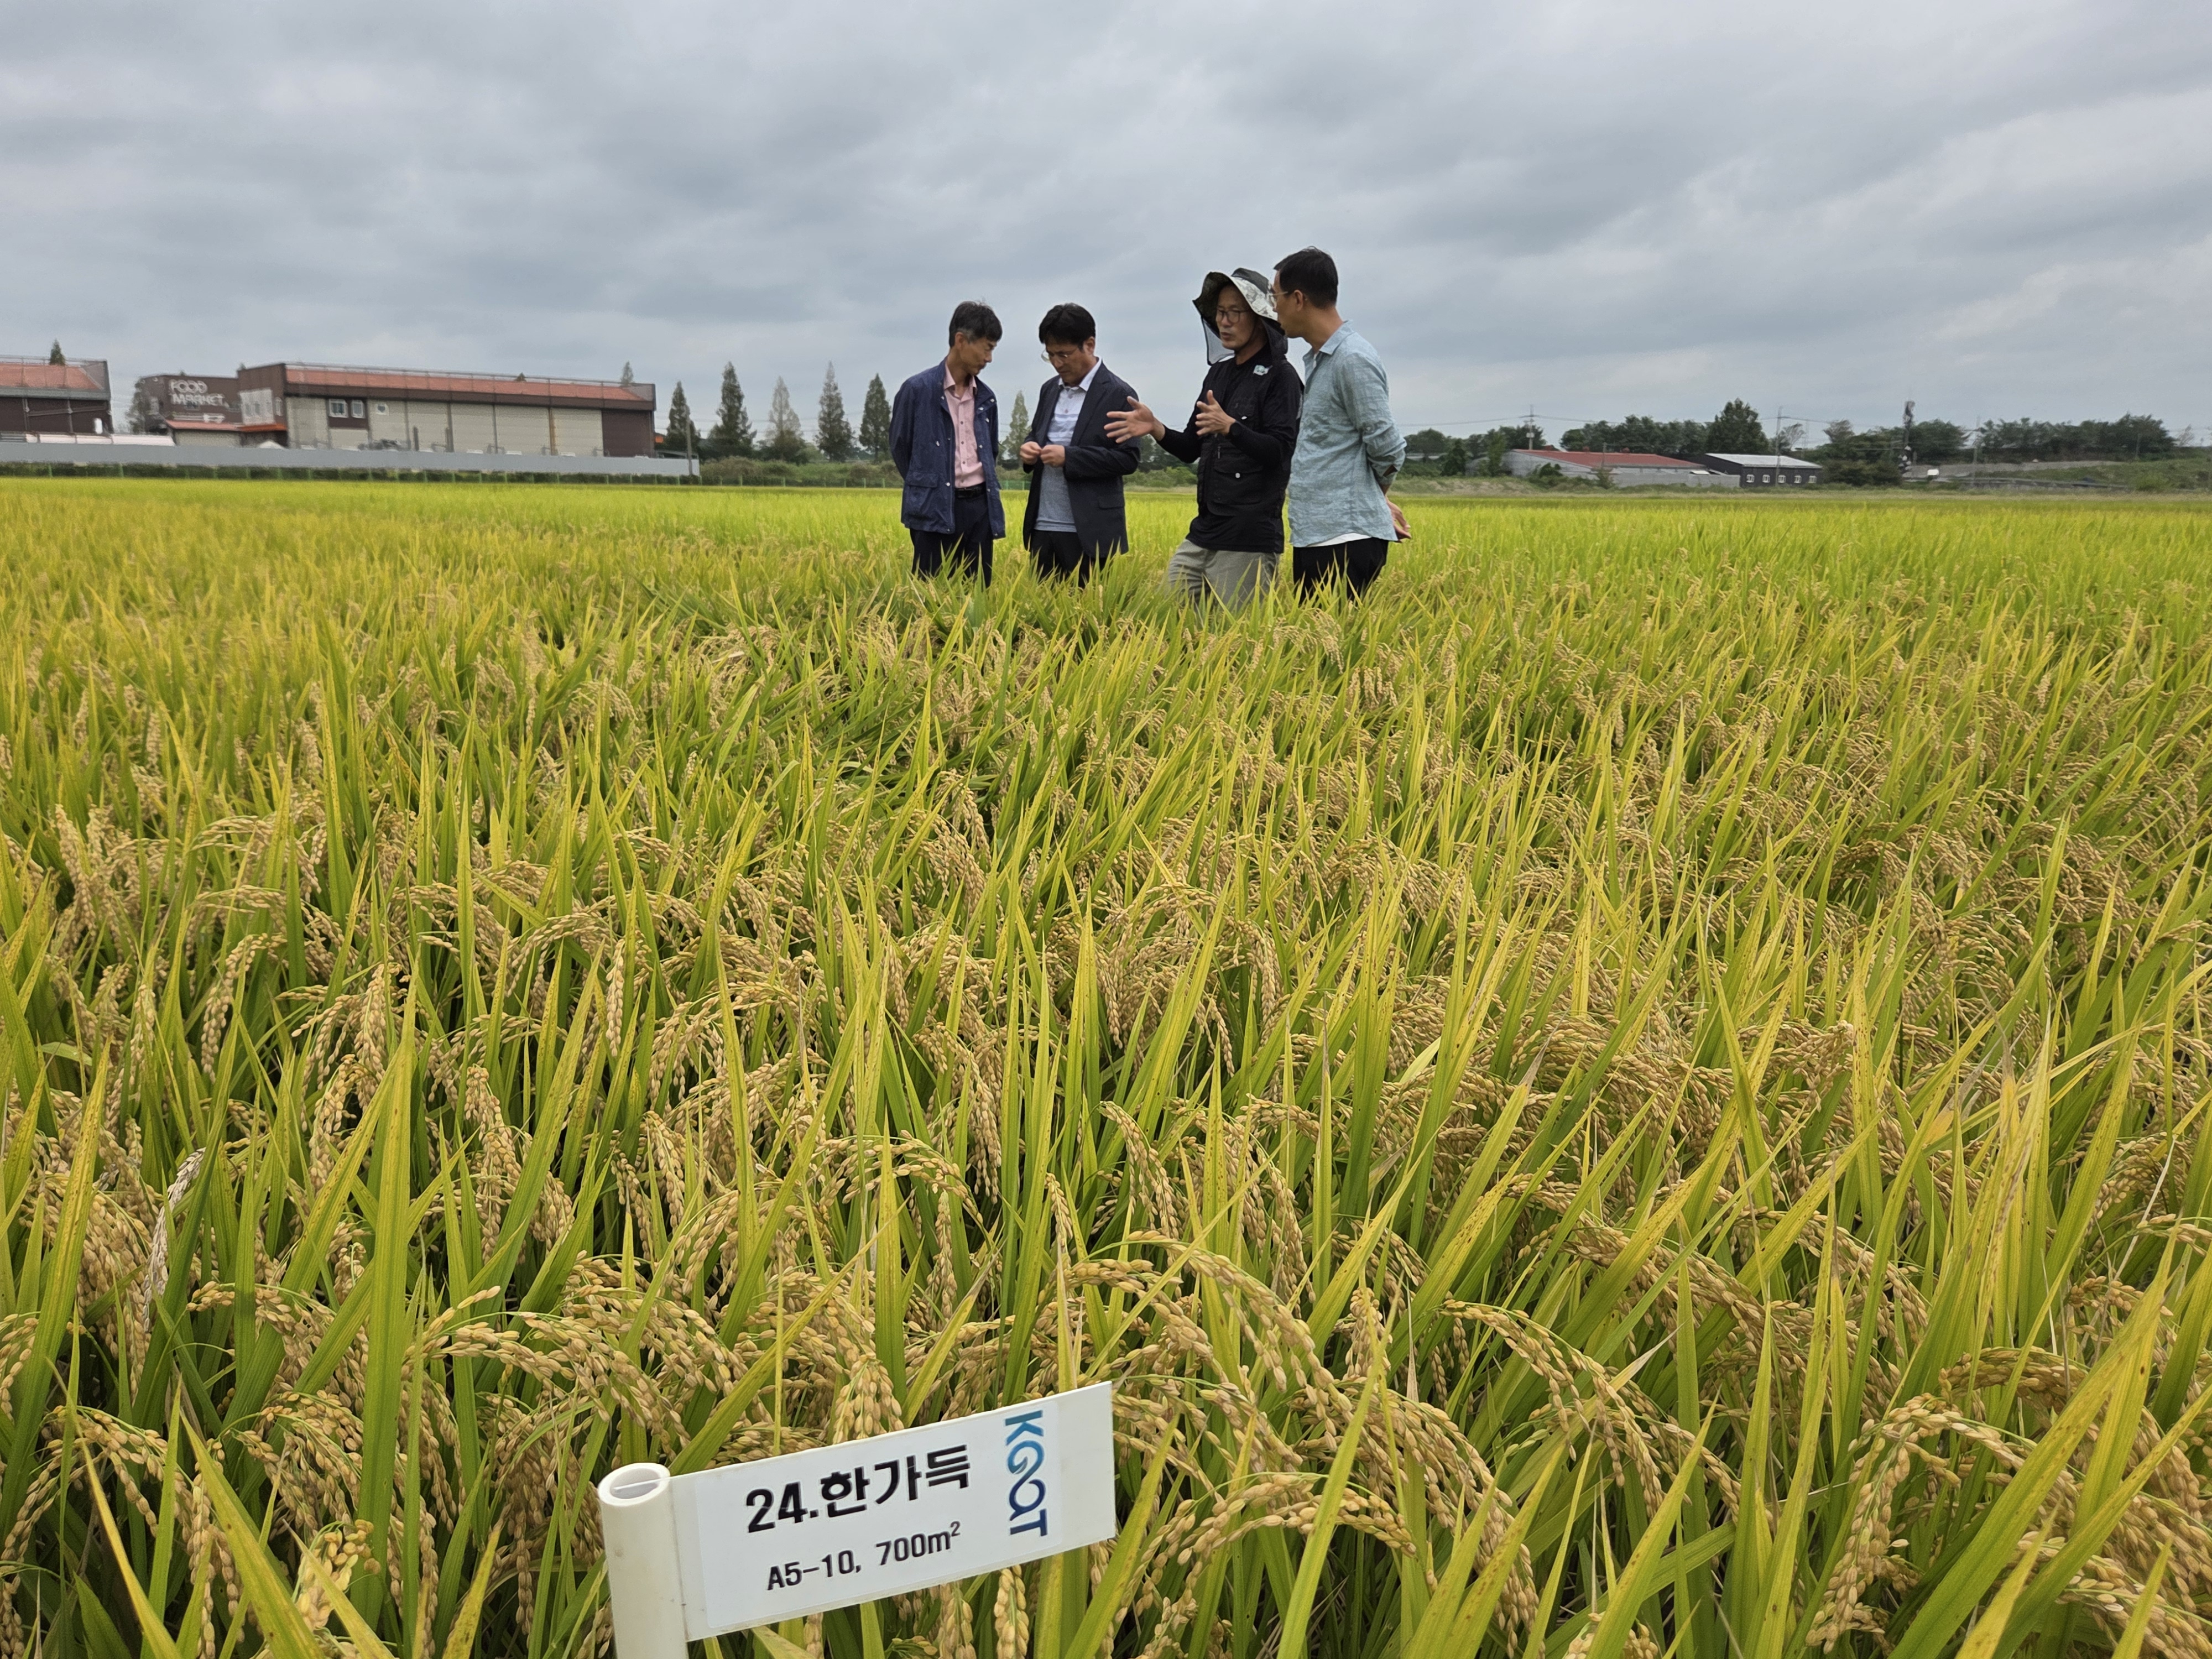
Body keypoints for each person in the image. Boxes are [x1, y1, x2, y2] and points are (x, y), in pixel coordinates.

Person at [1107, 268, 1301, 608]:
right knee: (1166, 615)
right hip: (1205, 531)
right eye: (1220, 313)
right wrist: (1155, 428)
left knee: (1232, 644)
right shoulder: (1219, 373)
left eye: (1234, 313)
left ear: (1258, 317)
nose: (1223, 322)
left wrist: (1232, 428)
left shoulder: (1280, 377)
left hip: (1247, 539)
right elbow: (1191, 448)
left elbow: (1280, 451)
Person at [1269, 247, 1408, 597]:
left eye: (1276, 296)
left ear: (1298, 299)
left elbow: (1389, 448)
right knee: (1313, 644)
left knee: (1331, 648)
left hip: (1344, 539)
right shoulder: (1321, 360)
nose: (1274, 307)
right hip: (1320, 534)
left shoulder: (1352, 360)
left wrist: (1372, 498)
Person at [1018, 304, 1142, 581]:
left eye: (1064, 354)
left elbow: (1128, 458)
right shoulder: (1049, 390)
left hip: (1090, 532)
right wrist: (1028, 450)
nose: (1057, 363)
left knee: (1087, 618)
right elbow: (1037, 435)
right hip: (1044, 525)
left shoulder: (1119, 394)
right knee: (1041, 617)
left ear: (1089, 345)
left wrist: (1070, 457)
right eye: (1050, 355)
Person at [890, 301, 1006, 583]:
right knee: (931, 590)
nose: (989, 358)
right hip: (933, 506)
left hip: (979, 507)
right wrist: (931, 482)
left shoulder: (986, 398)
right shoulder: (917, 391)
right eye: (987, 347)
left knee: (977, 591)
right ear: (961, 341)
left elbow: (990, 451)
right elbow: (901, 448)